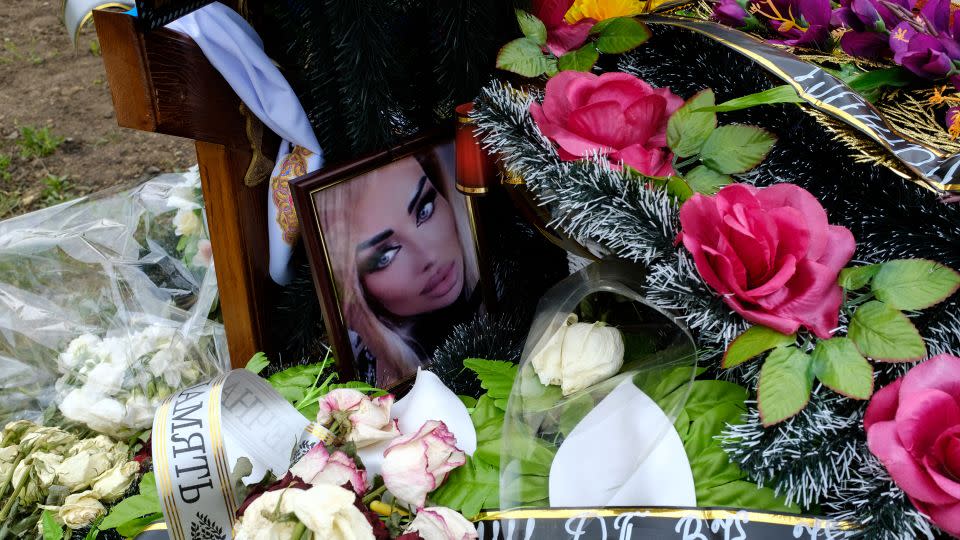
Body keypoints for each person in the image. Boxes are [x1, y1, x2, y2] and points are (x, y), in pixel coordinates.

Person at [317, 144, 481, 386]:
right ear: (356, 288)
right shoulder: (375, 388)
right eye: (384, 256)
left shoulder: (512, 275)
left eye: (424, 209)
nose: (427, 256)